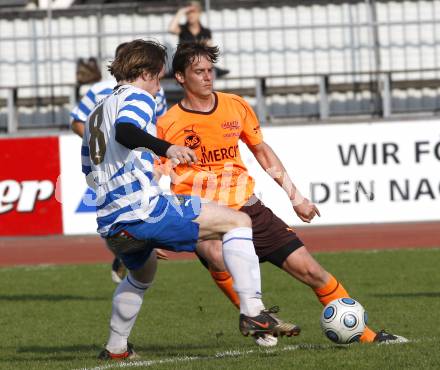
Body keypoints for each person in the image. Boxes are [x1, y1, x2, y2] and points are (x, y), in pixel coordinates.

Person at [157, 41, 408, 347]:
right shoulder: (167, 123)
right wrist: (150, 230)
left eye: (210, 70)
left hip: (248, 208)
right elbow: (155, 173)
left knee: (312, 271)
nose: (208, 77)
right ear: (181, 77)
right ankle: (255, 318)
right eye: (199, 72)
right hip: (203, 212)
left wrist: (295, 196)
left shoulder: (235, 106)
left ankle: (368, 336)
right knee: (215, 255)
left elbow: (261, 151)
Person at [81, 39, 300, 360]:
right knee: (237, 220)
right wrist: (166, 148)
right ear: (146, 72)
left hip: (111, 218)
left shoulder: (97, 111)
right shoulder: (138, 97)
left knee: (142, 274)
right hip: (141, 210)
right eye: (158, 76)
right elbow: (127, 132)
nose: (159, 86)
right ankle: (254, 310)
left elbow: (88, 167)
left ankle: (115, 349)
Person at [71, 42, 168, 283]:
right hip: (111, 163)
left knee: (146, 204)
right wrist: (104, 145)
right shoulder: (99, 90)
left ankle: (138, 244)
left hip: (144, 157)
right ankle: (137, 244)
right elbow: (77, 121)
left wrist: (162, 155)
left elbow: (161, 124)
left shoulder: (156, 90)